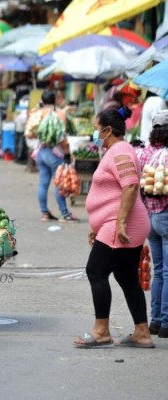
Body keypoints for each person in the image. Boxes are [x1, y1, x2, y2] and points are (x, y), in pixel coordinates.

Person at [73, 107, 154, 349]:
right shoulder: (117, 151)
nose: (96, 135)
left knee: (96, 271)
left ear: (108, 130)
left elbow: (130, 186)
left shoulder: (120, 151)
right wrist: (97, 224)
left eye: (97, 130)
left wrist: (118, 222)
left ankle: (101, 331)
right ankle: (142, 332)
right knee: (126, 276)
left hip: (122, 224)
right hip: (115, 223)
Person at [137, 110, 168, 338]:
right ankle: (166, 323)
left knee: (158, 271)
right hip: (166, 216)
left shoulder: (144, 153)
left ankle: (155, 321)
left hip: (149, 217)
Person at [27, 90, 77, 222]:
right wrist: (67, 152)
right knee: (59, 184)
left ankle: (44, 213)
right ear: (54, 100)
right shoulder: (59, 114)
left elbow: (30, 133)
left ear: (42, 101)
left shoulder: (37, 113)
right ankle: (65, 214)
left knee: (43, 184)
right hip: (55, 153)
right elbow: (62, 136)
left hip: (41, 152)